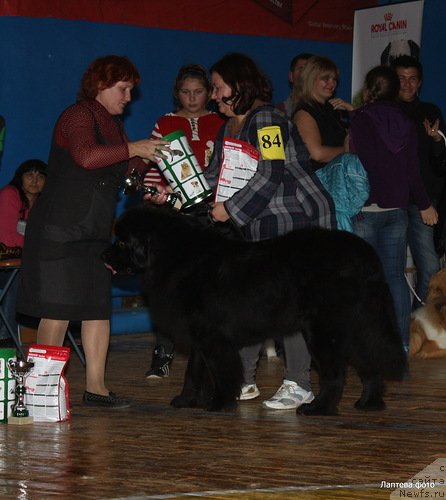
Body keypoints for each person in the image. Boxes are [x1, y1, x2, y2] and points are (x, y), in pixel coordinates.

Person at [146, 52, 337, 410]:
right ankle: (244, 380)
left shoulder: (268, 121)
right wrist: (173, 193)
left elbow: (271, 172)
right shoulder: (228, 127)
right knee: (252, 301)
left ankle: (299, 382)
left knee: (289, 302)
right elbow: (213, 177)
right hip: (258, 220)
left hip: (292, 219)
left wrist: (230, 209)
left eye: (218, 88)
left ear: (240, 85)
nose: (214, 96)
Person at [16, 55, 171, 408]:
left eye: (131, 90)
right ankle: (40, 390)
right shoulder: (78, 116)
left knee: (97, 309)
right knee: (56, 309)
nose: (129, 97)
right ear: (101, 85)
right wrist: (133, 148)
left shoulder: (114, 126)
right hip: (61, 228)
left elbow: (125, 175)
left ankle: (96, 388)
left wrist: (149, 188)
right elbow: (87, 157)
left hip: (94, 229)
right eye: (124, 88)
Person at [143, 64, 224, 379]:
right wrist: (155, 196)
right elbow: (153, 167)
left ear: (209, 92)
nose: (192, 98)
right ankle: (163, 354)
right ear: (177, 93)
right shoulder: (165, 123)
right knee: (169, 285)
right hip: (174, 214)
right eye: (185, 92)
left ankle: (213, 355)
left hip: (213, 213)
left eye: (199, 91)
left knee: (213, 286)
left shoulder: (222, 122)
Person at [349, 65, 437, 348]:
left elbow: (359, 163)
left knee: (365, 279)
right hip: (397, 210)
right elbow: (413, 171)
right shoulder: (405, 121)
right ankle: (400, 343)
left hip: (366, 209)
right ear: (395, 90)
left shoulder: (361, 119)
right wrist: (425, 204)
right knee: (396, 277)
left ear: (368, 88)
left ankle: (369, 343)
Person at [392, 56, 446, 307]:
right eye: (401, 78)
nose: (407, 84)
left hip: (423, 201)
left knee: (431, 266)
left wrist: (436, 141)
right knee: (389, 269)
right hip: (389, 201)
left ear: (420, 82)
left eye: (412, 78)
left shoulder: (430, 111)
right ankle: (397, 328)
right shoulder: (383, 111)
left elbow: (439, 162)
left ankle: (417, 323)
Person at [0, 159, 47, 346]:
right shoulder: (9, 195)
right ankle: (5, 337)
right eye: (30, 175)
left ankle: (54, 335)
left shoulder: (45, 204)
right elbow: (8, 240)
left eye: (40, 176)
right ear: (20, 178)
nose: (35, 180)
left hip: (33, 266)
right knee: (17, 275)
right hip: (5, 267)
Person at [293, 55, 352, 171]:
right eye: (326, 78)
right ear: (311, 79)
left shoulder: (330, 109)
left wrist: (353, 112)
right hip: (318, 182)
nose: (332, 84)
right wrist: (349, 150)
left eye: (334, 79)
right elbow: (316, 154)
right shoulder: (304, 113)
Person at [275, 53, 312, 119]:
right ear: (291, 76)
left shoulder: (329, 110)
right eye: (301, 69)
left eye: (310, 70)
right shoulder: (278, 111)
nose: (305, 74)